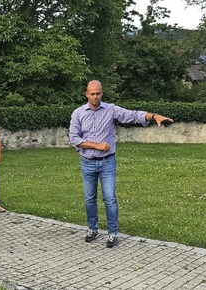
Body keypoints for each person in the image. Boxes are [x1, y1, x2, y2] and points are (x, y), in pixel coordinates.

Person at [69, 80, 173, 248]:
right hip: (87, 162)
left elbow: (133, 115)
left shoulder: (111, 110)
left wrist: (153, 116)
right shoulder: (78, 114)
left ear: (102, 93)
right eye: (92, 94)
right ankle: (92, 229)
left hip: (107, 162)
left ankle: (112, 233)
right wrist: (96, 145)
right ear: (86, 94)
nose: (95, 97)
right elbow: (74, 138)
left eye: (98, 93)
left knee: (109, 198)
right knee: (89, 198)